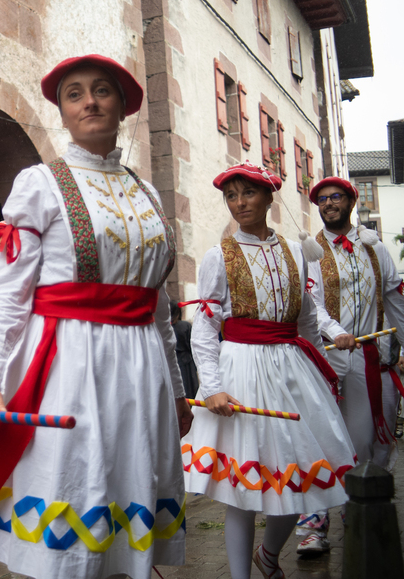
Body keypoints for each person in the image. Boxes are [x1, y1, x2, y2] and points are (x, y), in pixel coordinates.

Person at [0, 55, 191, 579]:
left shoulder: (148, 193)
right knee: (71, 498)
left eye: (101, 90)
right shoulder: (39, 184)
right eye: (75, 94)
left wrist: (175, 391)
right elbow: (7, 295)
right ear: (61, 111)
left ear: (123, 105)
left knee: (130, 500)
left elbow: (159, 309)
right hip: (69, 368)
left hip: (142, 370)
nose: (89, 101)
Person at [180, 164, 356, 579]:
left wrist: (324, 372)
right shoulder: (218, 255)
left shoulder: (298, 251)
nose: (239, 203)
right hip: (241, 367)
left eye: (248, 194)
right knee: (241, 490)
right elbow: (205, 328)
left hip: (294, 368)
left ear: (268, 197)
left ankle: (270, 556)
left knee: (304, 479)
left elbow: (309, 321)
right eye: (232, 196)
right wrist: (212, 386)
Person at [294, 177, 404, 556]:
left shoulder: (376, 248)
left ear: (352, 200)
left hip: (379, 356)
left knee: (380, 439)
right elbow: (313, 306)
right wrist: (337, 332)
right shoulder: (309, 250)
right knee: (331, 439)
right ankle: (316, 525)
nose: (328, 204)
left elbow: (395, 299)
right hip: (333, 357)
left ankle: (366, 513)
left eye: (335, 196)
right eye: (322, 199)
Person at [171, 303, 199, 399]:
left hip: (172, 359)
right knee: (189, 388)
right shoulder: (185, 326)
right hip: (186, 361)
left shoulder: (166, 327)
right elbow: (191, 345)